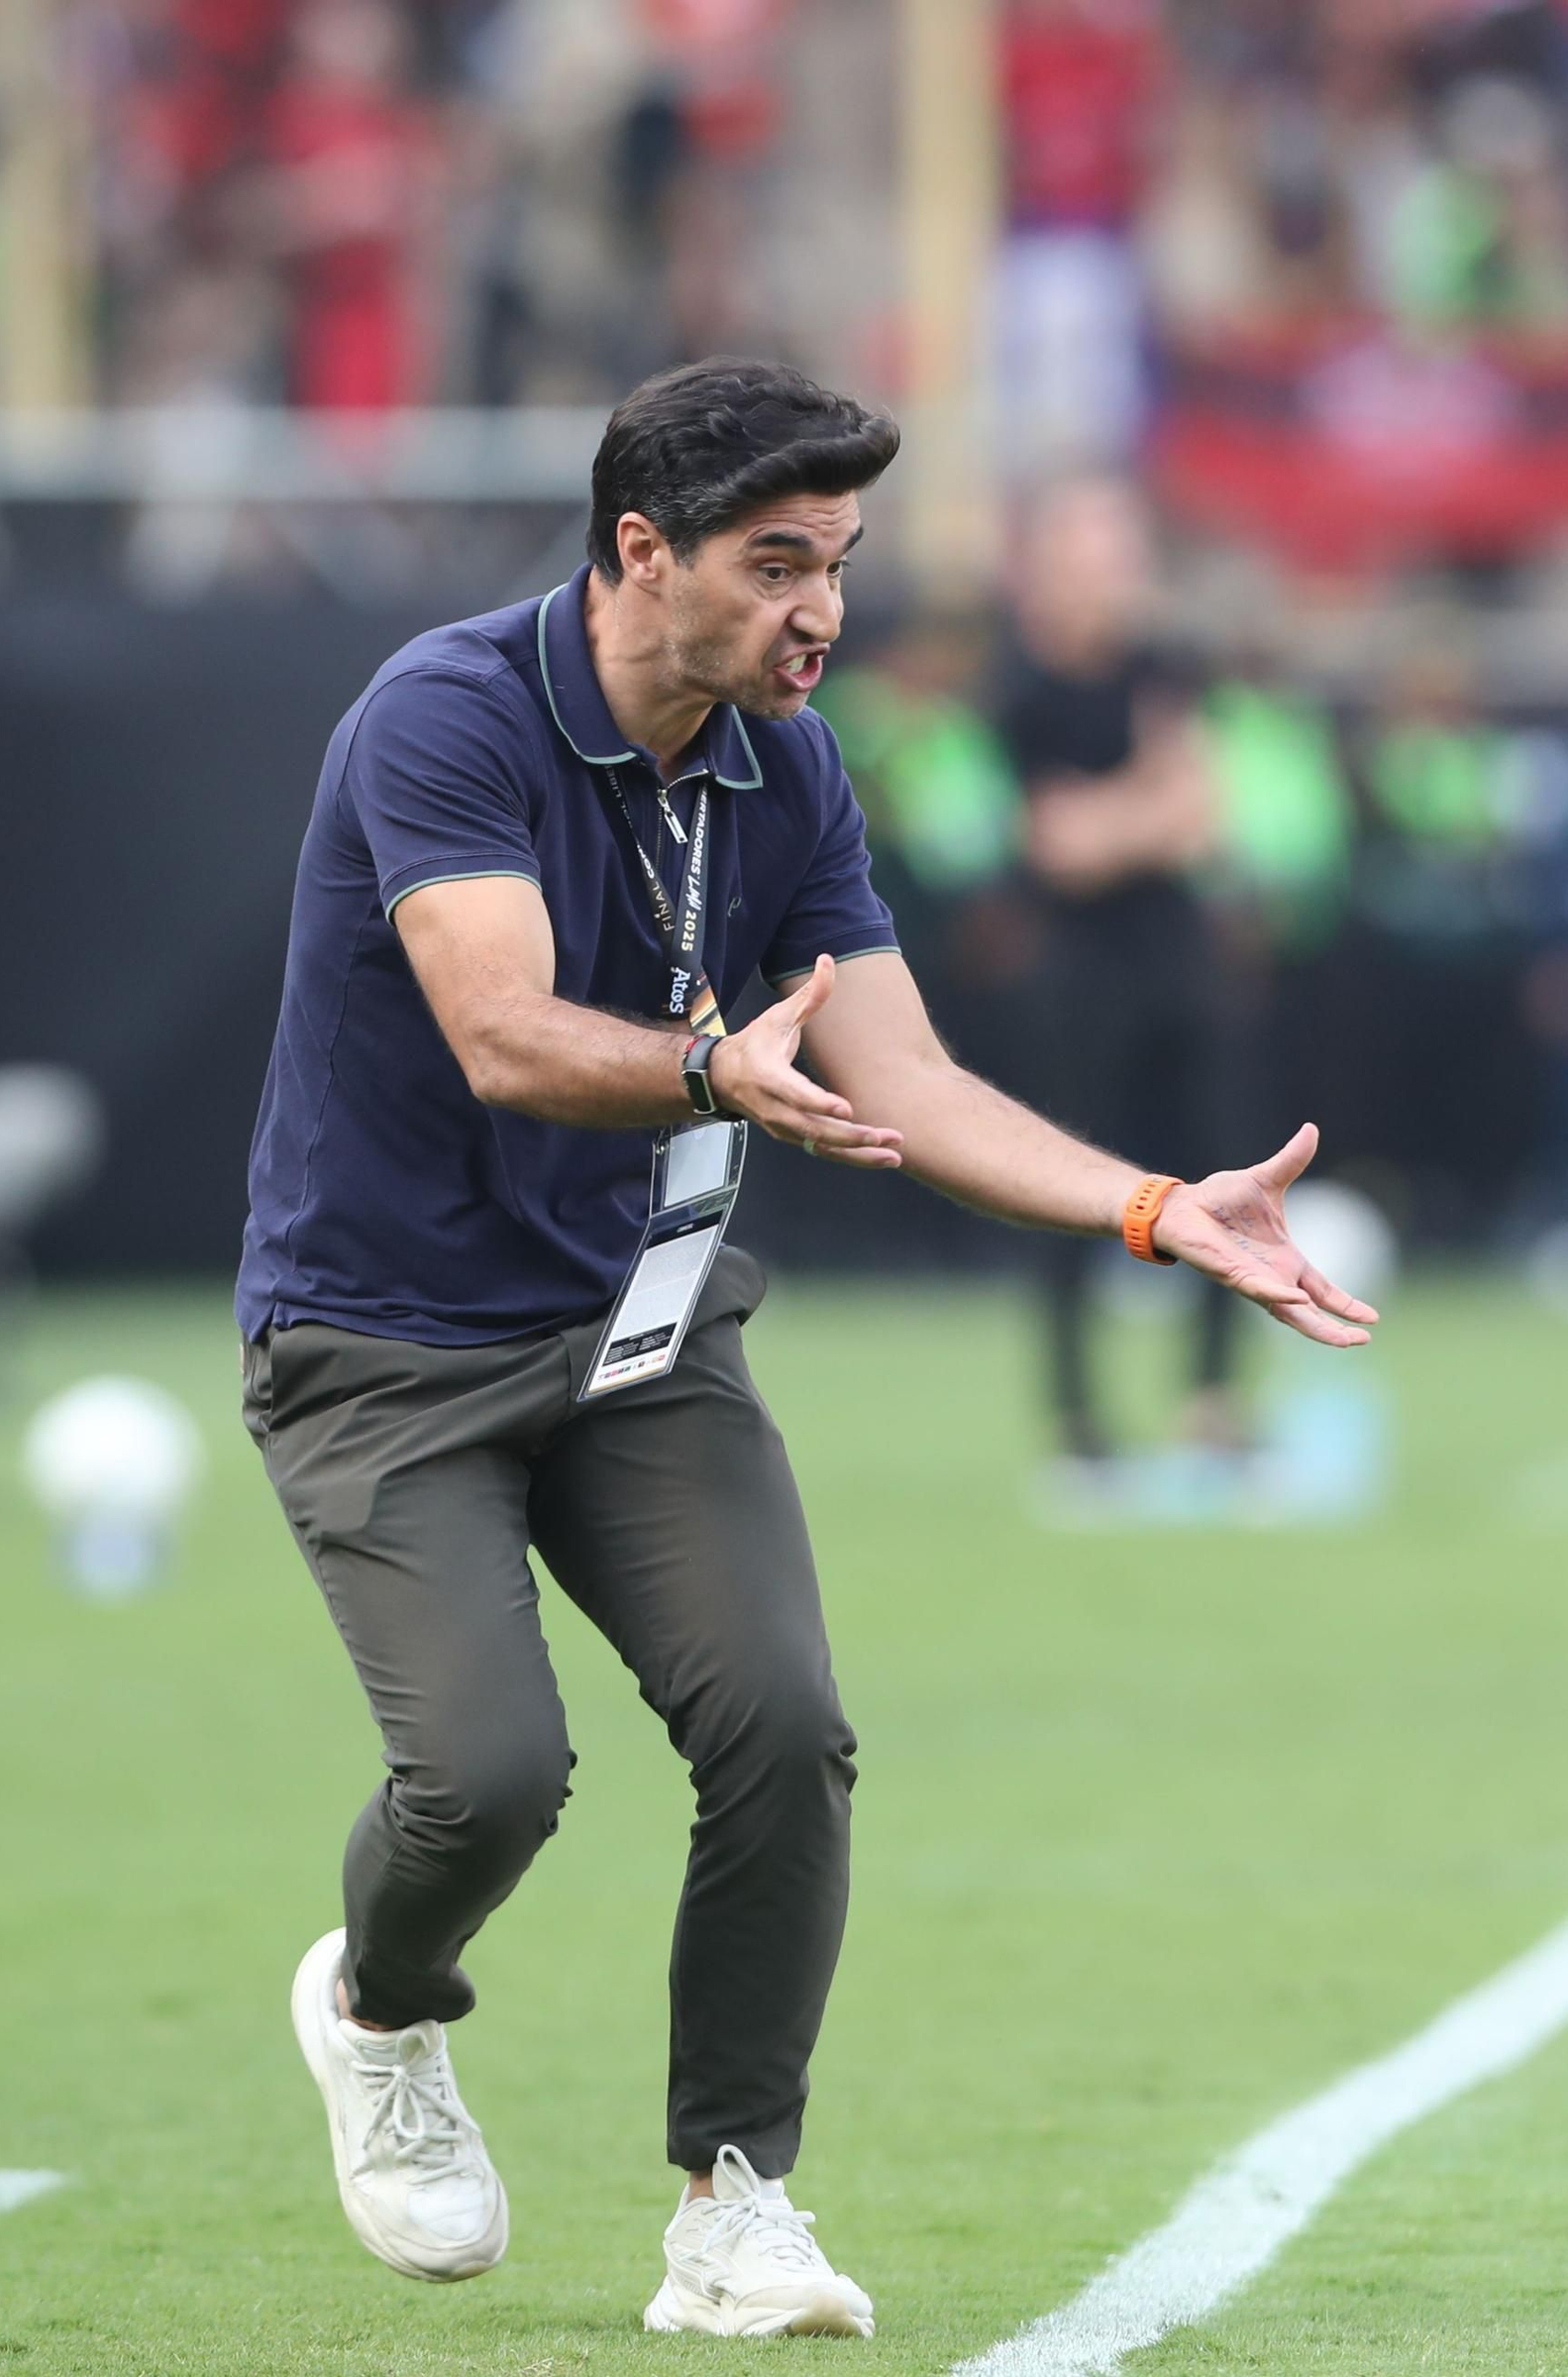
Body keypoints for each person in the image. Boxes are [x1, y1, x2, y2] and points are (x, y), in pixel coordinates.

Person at [236, 359, 1375, 2340]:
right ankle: (376, 2000)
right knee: (491, 1774)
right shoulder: (444, 711)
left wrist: (1149, 1205)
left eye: (837, 564)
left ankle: (731, 2199)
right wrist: (706, 1065)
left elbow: (908, 1074)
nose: (819, 612)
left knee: (781, 1722)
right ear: (635, 552)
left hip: (630, 1334)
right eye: (775, 565)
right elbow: (500, 1028)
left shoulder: (793, 764)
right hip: (384, 1339)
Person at [989, 473, 1251, 1480]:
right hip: (1074, 968)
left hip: (1175, 958)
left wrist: (1128, 812)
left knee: (1223, 1167)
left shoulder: (1164, 666)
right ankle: (1074, 1414)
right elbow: (1062, 847)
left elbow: (1202, 812)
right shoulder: (1023, 688)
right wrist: (1149, 801)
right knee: (1066, 1182)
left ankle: (1212, 1399)